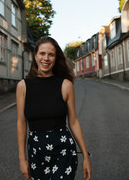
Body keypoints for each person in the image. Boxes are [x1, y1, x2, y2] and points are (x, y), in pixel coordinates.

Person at [16, 36, 92, 180]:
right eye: (42, 53)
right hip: (36, 153)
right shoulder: (23, 87)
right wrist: (22, 159)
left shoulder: (65, 85)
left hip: (63, 151)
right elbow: (21, 123)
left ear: (56, 58)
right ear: (35, 56)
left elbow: (74, 122)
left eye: (51, 54)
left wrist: (85, 156)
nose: (46, 58)